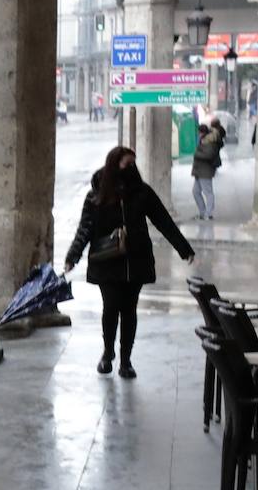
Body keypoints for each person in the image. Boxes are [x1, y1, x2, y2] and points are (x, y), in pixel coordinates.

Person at [64, 146, 195, 379]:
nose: (131, 168)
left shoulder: (142, 192)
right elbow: (85, 229)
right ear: (114, 164)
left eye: (133, 164)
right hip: (107, 261)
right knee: (110, 308)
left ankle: (126, 360)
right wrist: (72, 257)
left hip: (136, 261)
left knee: (129, 310)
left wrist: (183, 248)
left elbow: (163, 221)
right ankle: (108, 352)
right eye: (126, 164)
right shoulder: (96, 195)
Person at [191, 121, 222, 220]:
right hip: (199, 171)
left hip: (205, 171)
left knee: (208, 192)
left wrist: (196, 154)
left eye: (199, 132)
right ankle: (202, 212)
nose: (198, 134)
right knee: (196, 192)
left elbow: (209, 155)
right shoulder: (203, 140)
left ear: (202, 132)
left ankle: (208, 214)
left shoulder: (209, 142)